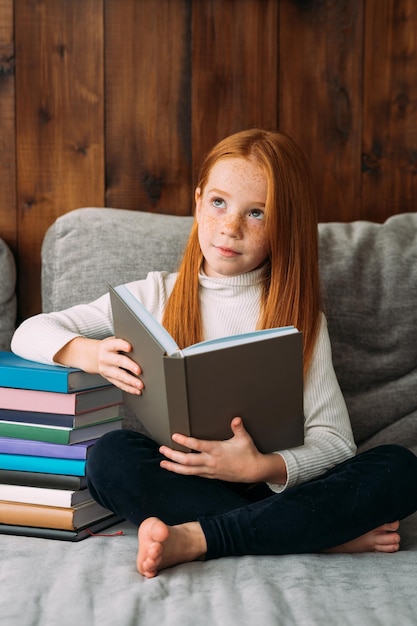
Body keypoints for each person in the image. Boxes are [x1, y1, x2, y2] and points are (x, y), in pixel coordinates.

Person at [12, 128, 417, 578]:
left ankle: (200, 538)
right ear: (198, 201)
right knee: (109, 458)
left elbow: (336, 442)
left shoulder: (299, 317)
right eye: (219, 203)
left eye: (257, 212)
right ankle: (322, 537)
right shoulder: (155, 294)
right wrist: (87, 352)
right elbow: (29, 331)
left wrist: (259, 466)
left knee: (400, 468)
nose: (230, 227)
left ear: (283, 223)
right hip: (188, 486)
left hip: (276, 490)